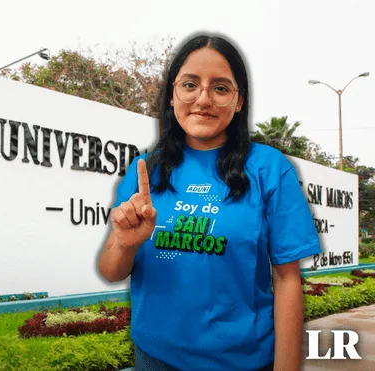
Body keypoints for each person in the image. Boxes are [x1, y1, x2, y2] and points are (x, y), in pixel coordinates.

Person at [98, 33, 322, 371]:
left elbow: (288, 279)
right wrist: (126, 245)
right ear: (172, 95)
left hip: (243, 361)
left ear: (239, 100)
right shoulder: (146, 170)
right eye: (190, 85)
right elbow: (111, 270)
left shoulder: (269, 169)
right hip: (155, 358)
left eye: (220, 88)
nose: (203, 99)